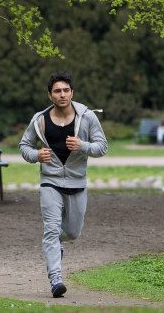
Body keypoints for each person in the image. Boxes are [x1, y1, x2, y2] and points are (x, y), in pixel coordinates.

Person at [19, 71, 108, 298]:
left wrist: (82, 146)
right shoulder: (40, 119)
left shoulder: (87, 117)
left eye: (66, 90)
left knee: (72, 232)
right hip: (50, 181)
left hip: (77, 182)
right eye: (57, 91)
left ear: (72, 93)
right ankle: (56, 280)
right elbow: (24, 146)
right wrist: (36, 155)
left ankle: (56, 245)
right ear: (50, 95)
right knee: (51, 230)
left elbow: (102, 147)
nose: (62, 95)